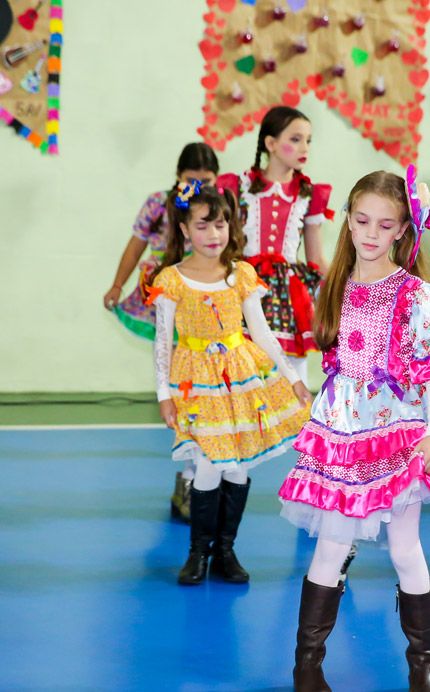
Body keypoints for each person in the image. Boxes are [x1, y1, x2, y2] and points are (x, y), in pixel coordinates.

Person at [279, 169, 430, 692]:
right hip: (345, 432)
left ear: (403, 229)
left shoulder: (420, 296)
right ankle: (307, 663)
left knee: (405, 548)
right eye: (362, 221)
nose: (371, 233)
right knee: (332, 545)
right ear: (348, 222)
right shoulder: (334, 286)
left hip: (400, 432)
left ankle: (423, 665)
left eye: (385, 224)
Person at [150, 182, 311, 585]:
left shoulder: (241, 275)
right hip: (196, 384)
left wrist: (292, 377)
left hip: (240, 380)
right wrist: (164, 395)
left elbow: (263, 332)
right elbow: (163, 342)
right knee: (208, 464)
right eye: (202, 226)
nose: (213, 234)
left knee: (237, 467)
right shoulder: (171, 279)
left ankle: (225, 550)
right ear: (184, 229)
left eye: (220, 224)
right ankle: (198, 553)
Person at [102, 143, 221, 523]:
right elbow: (135, 247)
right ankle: (188, 477)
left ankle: (199, 475)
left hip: (204, 301)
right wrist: (117, 284)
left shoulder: (219, 207)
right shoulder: (158, 204)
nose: (199, 187)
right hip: (165, 298)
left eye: (207, 180)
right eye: (191, 180)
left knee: (204, 389)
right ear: (178, 177)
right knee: (182, 387)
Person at [217, 106, 333, 382]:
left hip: (288, 296)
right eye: (295, 139)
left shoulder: (309, 195)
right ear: (271, 143)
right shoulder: (238, 186)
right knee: (242, 371)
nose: (304, 147)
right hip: (243, 286)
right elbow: (221, 243)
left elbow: (316, 258)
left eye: (308, 140)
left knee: (291, 375)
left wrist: (348, 288)